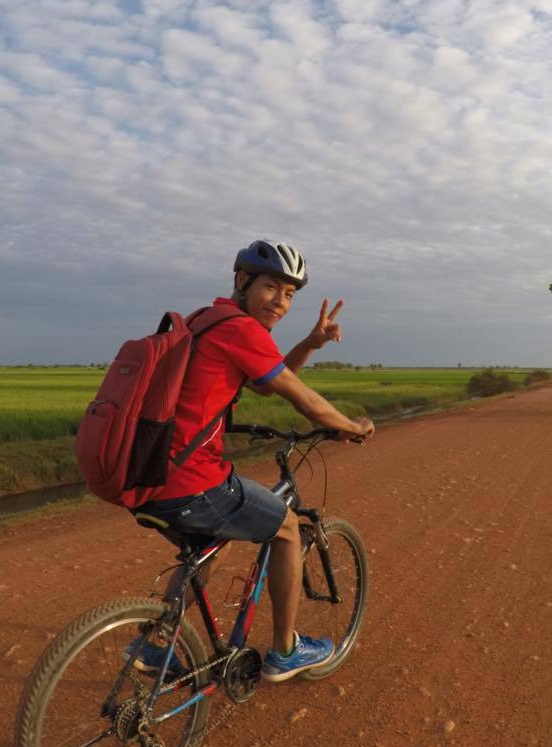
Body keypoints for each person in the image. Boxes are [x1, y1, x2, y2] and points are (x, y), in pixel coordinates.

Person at [133, 240, 375, 682]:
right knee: (284, 527)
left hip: (149, 476)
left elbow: (267, 382)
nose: (280, 302)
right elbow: (303, 401)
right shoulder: (240, 330)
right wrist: (351, 426)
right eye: (271, 287)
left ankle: (155, 644)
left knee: (213, 544)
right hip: (190, 479)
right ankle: (284, 652)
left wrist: (310, 342)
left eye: (289, 294)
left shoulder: (208, 319)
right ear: (242, 281)